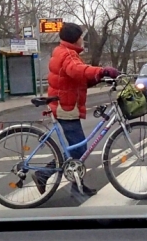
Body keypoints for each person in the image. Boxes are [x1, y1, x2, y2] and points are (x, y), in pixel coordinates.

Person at [34, 23, 120, 197]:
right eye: (81, 36)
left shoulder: (64, 51)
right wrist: (102, 71)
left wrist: (97, 78)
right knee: (79, 149)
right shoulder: (68, 54)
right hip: (66, 106)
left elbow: (76, 77)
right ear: (75, 38)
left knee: (76, 148)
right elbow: (77, 70)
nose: (82, 39)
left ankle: (73, 183)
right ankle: (44, 174)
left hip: (65, 103)